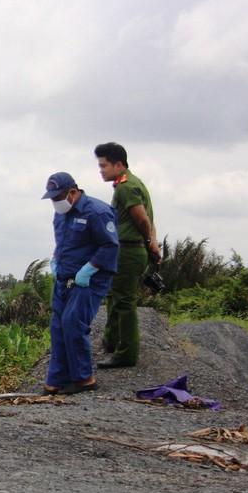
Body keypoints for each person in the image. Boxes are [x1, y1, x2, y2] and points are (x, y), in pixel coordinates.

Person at [41, 172, 119, 395]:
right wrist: (56, 260)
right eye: (52, 198)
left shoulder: (97, 211)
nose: (56, 202)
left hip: (90, 279)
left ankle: (85, 379)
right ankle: (57, 380)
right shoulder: (60, 215)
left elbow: (110, 246)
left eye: (59, 197)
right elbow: (63, 242)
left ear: (73, 192)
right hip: (64, 278)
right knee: (57, 328)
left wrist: (88, 269)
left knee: (73, 323)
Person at [94, 142, 160, 369]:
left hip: (129, 249)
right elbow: (148, 220)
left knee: (124, 302)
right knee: (114, 296)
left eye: (104, 165)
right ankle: (112, 341)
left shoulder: (126, 187)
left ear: (118, 164)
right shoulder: (132, 183)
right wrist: (152, 242)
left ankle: (127, 353)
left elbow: (142, 219)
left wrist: (150, 243)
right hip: (128, 248)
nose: (101, 170)